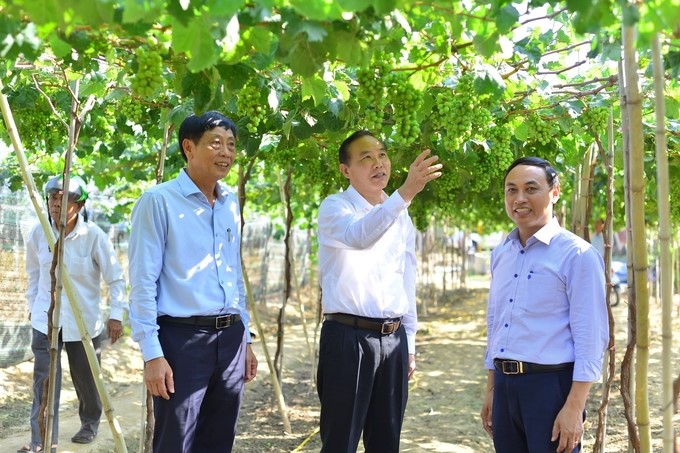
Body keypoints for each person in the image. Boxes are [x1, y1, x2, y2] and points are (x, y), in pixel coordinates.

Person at [128, 111, 258, 453]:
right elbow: (143, 282)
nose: (226, 152)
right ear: (188, 147)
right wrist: (152, 354)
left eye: (231, 145)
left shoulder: (230, 204)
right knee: (176, 440)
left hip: (230, 339)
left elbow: (233, 276)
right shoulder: (158, 201)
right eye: (216, 143)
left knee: (218, 440)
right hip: (183, 341)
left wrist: (245, 338)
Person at [316, 130, 442, 453]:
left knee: (387, 442)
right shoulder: (335, 208)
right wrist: (405, 194)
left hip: (394, 340)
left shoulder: (401, 213)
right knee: (340, 441)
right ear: (346, 169)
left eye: (382, 155)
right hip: (348, 339)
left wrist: (409, 342)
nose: (378, 163)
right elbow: (360, 236)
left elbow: (406, 277)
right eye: (366, 157)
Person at [480, 156, 609, 453]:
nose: (519, 198)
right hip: (505, 385)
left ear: (555, 192)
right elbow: (496, 323)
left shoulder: (577, 255)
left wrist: (575, 407)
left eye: (531, 188)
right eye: (511, 190)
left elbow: (591, 337)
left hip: (551, 388)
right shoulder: (501, 252)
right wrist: (492, 388)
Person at [21, 175, 127, 453]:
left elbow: (115, 278)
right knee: (43, 383)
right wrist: (34, 306)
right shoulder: (38, 233)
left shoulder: (93, 236)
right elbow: (33, 275)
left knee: (87, 379)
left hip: (84, 323)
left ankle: (90, 422)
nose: (55, 204)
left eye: (62, 199)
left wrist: (116, 315)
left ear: (78, 205)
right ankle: (41, 440)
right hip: (46, 321)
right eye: (52, 198)